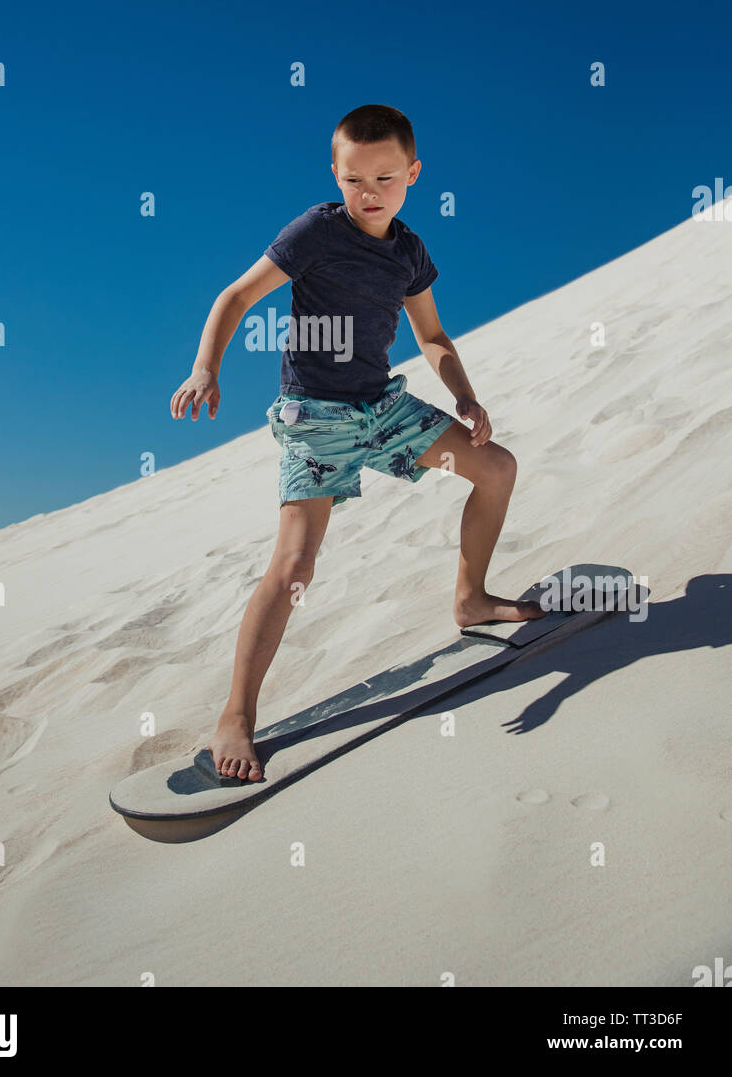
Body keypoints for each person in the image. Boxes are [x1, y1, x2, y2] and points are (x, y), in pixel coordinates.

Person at [170, 104, 544, 784]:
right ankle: (236, 715)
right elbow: (236, 296)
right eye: (353, 179)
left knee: (496, 467)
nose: (369, 192)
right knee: (295, 568)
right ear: (335, 175)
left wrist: (463, 393)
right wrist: (206, 367)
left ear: (413, 174)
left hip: (383, 408)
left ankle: (471, 598)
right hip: (316, 418)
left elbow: (431, 337)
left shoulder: (408, 251)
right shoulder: (316, 231)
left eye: (385, 177)